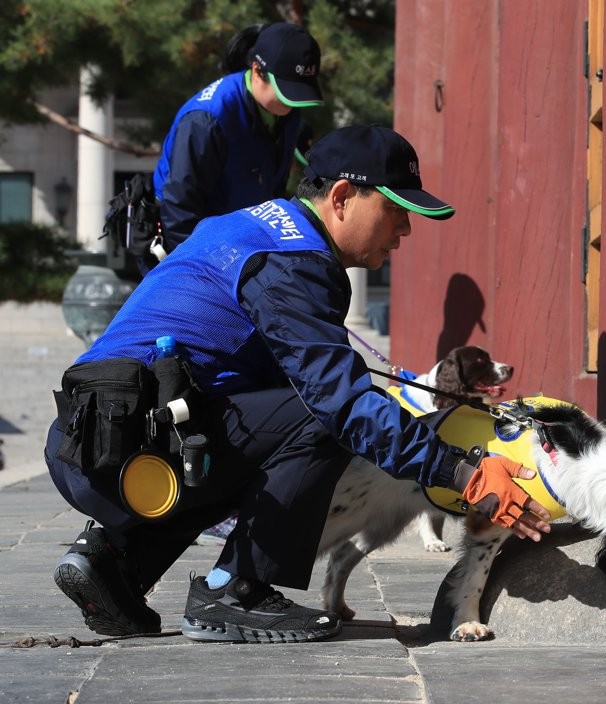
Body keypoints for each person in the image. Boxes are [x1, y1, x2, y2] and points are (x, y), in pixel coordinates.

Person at [45, 124, 552, 644]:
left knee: (262, 431)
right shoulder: (292, 262)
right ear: (341, 197)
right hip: (123, 453)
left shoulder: (250, 228)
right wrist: (464, 473)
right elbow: (341, 403)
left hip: (89, 439)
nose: (405, 230)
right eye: (396, 211)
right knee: (321, 420)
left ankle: (113, 562)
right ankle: (236, 588)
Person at [144, 22, 324, 272]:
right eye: (288, 90)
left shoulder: (285, 111)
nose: (293, 103)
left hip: (239, 243)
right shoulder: (206, 120)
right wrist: (212, 271)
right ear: (257, 70)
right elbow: (179, 212)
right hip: (184, 250)